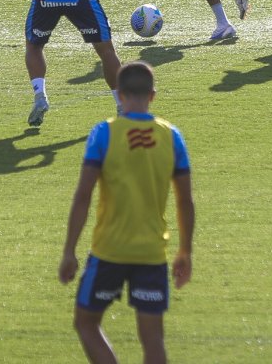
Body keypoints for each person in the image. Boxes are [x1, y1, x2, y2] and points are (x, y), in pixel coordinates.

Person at [59, 61, 195, 364]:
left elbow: (83, 195)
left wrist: (69, 250)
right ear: (153, 95)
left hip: (110, 250)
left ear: (119, 94)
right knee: (153, 339)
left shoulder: (104, 133)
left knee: (86, 323)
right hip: (152, 253)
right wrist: (185, 251)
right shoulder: (171, 136)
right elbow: (185, 200)